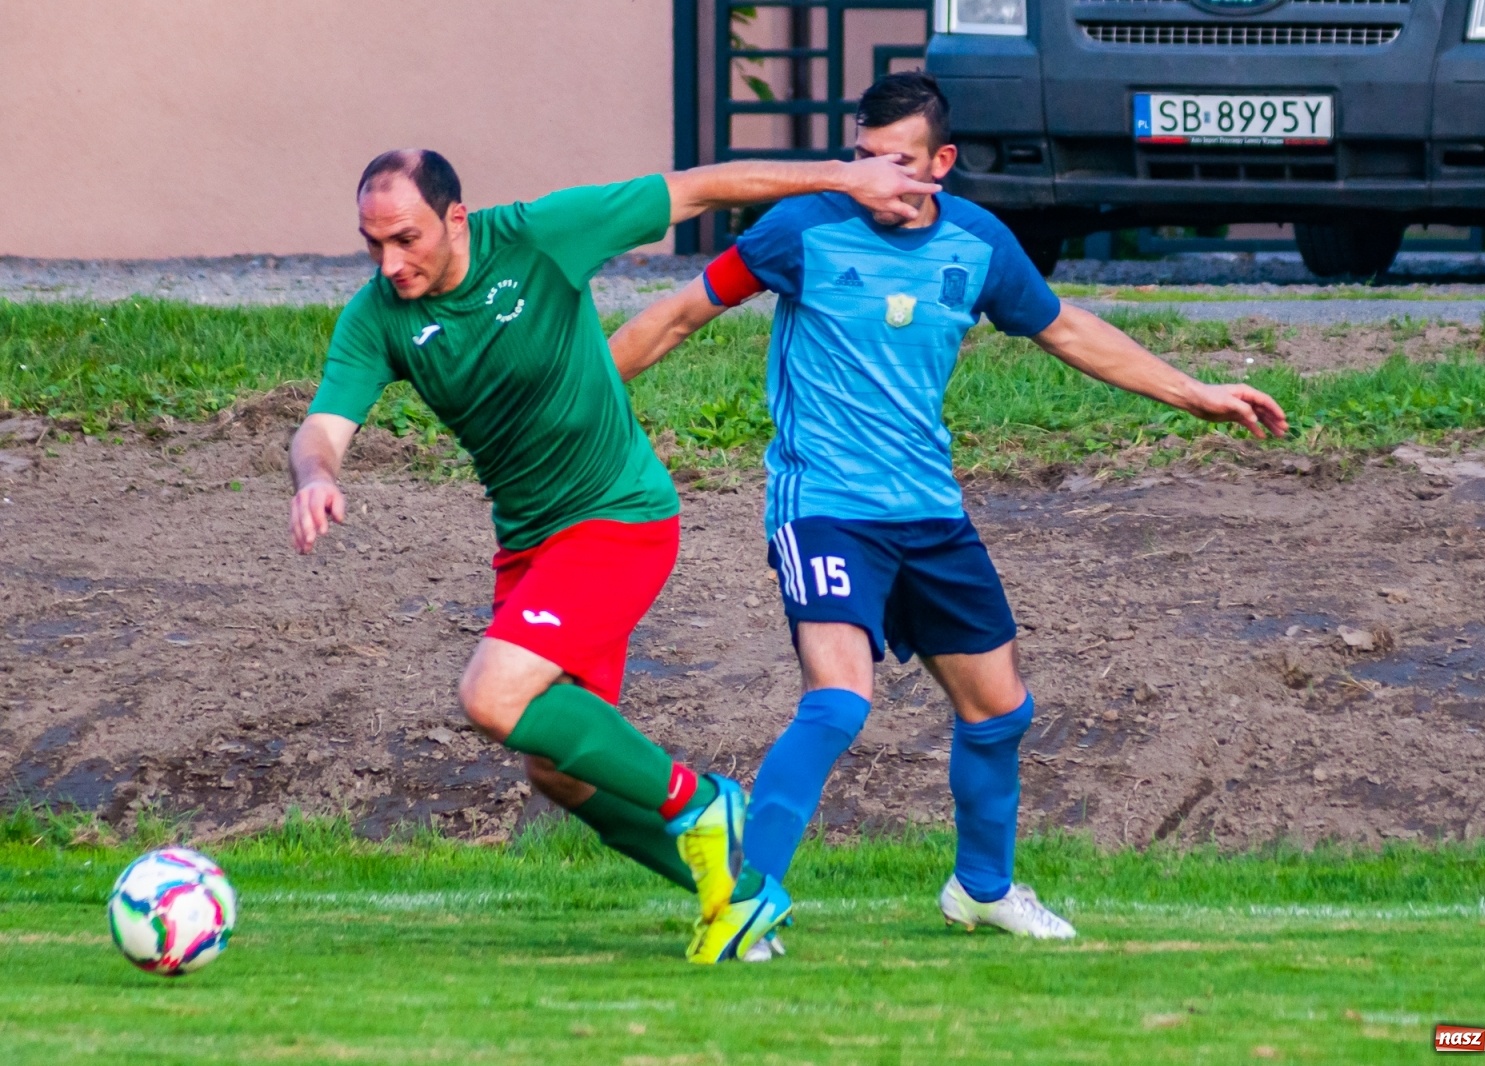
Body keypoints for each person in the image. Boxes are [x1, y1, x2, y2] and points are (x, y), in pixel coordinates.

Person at [596, 71, 1289, 952]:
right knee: (840, 703)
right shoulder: (800, 229)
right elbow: (680, 314)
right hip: (827, 509)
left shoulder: (980, 243)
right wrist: (576, 397)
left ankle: (982, 889)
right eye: (862, 158)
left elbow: (1067, 328)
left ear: (941, 163)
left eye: (898, 162)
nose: (876, 178)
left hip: (929, 513)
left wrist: (1193, 393)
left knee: (1000, 713)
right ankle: (746, 900)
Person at [286, 147, 940, 964]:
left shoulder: (541, 236)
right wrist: (315, 477)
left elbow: (696, 188)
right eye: (372, 243)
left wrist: (845, 178)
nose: (390, 263)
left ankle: (702, 801)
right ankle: (735, 900)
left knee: (491, 695)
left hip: (618, 517)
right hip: (530, 544)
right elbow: (323, 426)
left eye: (406, 239)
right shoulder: (378, 314)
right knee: (556, 770)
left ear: (457, 219)